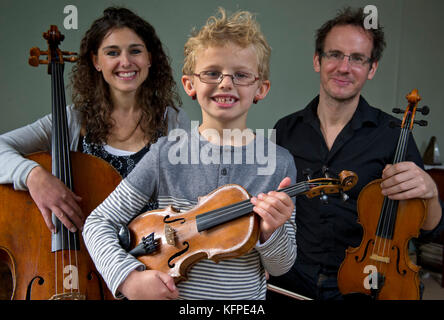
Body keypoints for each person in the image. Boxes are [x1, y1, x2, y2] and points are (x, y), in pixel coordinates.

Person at [82, 7, 297, 300]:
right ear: (190, 85)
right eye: (212, 73)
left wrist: (271, 231)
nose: (225, 83)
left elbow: (281, 266)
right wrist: (128, 279)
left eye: (241, 75)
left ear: (261, 89)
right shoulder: (165, 154)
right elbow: (97, 224)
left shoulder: (279, 163)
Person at [269, 6, 444, 300]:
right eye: (334, 54)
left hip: (362, 284)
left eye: (358, 59)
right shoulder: (285, 130)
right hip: (291, 280)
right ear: (317, 60)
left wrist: (429, 194)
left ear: (372, 68)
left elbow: (430, 231)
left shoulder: (394, 134)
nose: (344, 67)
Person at [0, 7, 189, 234]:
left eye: (135, 51)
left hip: (152, 261)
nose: (126, 61)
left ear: (150, 57)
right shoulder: (72, 120)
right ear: (96, 61)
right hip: (84, 259)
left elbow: (187, 201)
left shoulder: (173, 121)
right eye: (112, 53)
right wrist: (33, 175)